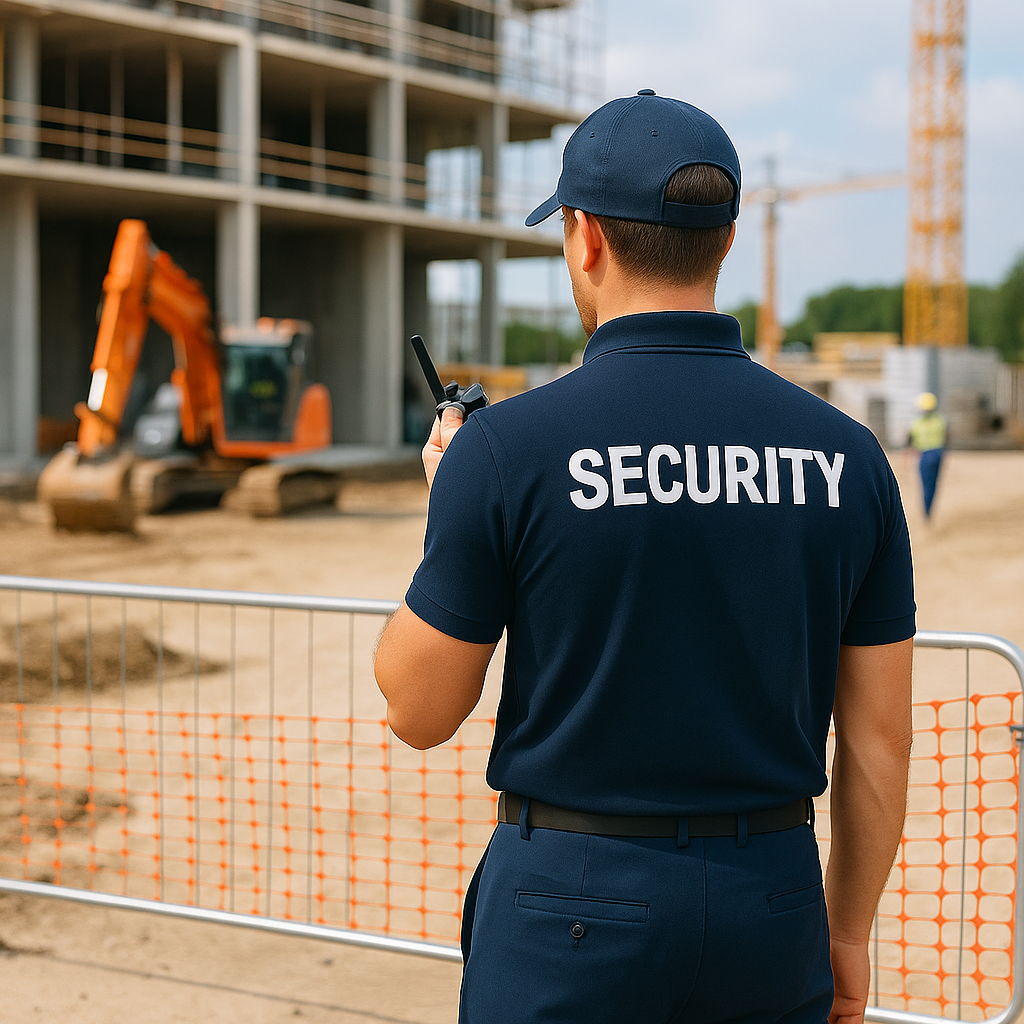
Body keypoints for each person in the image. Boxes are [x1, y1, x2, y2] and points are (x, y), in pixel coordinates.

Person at [375, 90, 915, 1024]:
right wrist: (847, 935)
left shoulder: (509, 452)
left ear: (584, 238)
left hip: (568, 910)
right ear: (728, 238)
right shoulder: (848, 457)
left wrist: (455, 515)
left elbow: (417, 710)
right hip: (771, 905)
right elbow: (877, 739)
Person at [909, 391, 947, 518]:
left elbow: (910, 440)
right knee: (934, 483)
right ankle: (929, 508)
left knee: (925, 484)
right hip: (937, 453)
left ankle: (926, 510)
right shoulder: (940, 420)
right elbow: (946, 437)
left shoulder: (917, 423)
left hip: (924, 454)